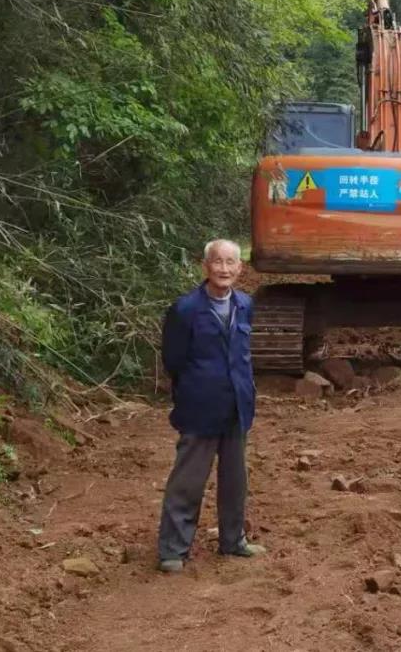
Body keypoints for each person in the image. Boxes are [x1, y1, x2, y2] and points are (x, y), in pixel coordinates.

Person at [156, 239, 265, 572]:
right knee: (188, 481)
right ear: (206, 266)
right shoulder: (186, 309)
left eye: (231, 262)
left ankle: (233, 541)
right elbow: (173, 360)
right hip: (200, 407)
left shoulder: (244, 304)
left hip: (236, 406)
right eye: (217, 262)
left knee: (235, 481)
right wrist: (194, 390)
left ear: (240, 268)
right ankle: (173, 550)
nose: (224, 269)